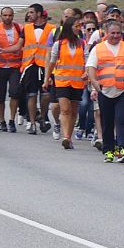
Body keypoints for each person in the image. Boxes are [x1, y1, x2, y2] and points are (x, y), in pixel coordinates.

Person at [87, 20, 124, 163]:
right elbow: (91, 67)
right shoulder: (98, 48)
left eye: (118, 33)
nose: (116, 36)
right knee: (107, 121)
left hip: (123, 89)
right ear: (106, 33)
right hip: (105, 90)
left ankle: (123, 148)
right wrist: (94, 82)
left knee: (122, 118)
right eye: (113, 33)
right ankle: (109, 150)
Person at [43, 16, 86, 149]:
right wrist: (47, 79)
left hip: (78, 82)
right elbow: (52, 62)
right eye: (76, 26)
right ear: (69, 27)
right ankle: (66, 137)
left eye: (80, 26)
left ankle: (69, 136)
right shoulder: (59, 44)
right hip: (62, 80)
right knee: (65, 109)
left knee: (73, 111)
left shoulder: (82, 44)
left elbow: (87, 61)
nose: (79, 29)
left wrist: (87, 73)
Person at [18, 4, 56, 135]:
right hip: (30, 65)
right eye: (28, 12)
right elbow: (19, 45)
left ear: (39, 14)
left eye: (31, 12)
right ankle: (32, 122)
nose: (29, 15)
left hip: (45, 66)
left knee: (46, 94)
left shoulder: (52, 29)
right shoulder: (26, 28)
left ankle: (43, 116)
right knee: (32, 94)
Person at [0, 7, 22, 132]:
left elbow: (20, 45)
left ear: (13, 16)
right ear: (1, 16)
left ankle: (11, 120)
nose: (7, 18)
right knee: (0, 96)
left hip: (15, 67)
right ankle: (2, 120)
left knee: (14, 93)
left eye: (10, 15)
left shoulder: (18, 28)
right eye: (4, 15)